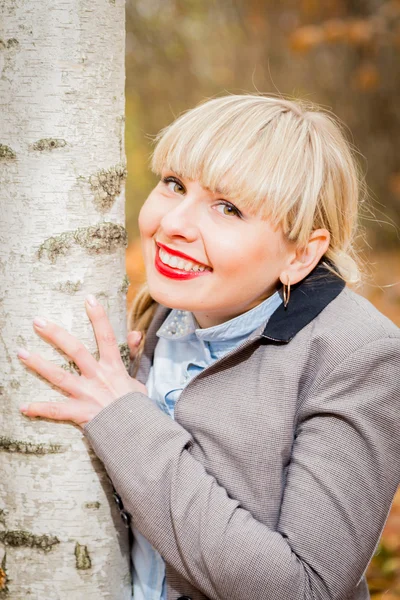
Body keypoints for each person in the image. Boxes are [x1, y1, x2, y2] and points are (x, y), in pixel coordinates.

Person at [18, 94, 400, 600]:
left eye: (228, 208)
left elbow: (303, 589)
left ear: (301, 253)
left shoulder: (360, 354)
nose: (174, 223)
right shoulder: (162, 311)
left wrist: (127, 421)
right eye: (174, 184)